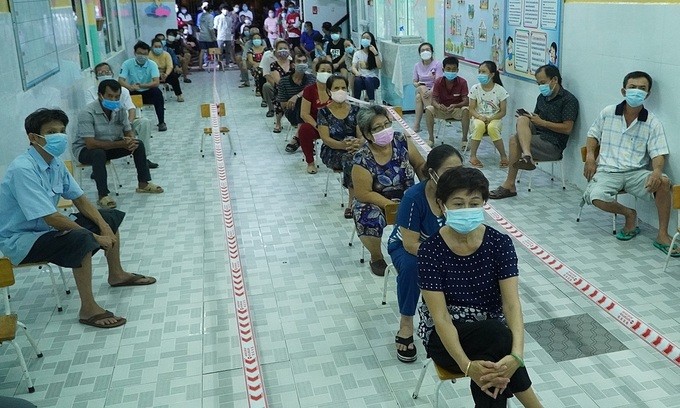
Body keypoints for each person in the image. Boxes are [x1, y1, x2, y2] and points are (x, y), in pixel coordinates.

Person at [0, 108, 157, 329]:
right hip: (22, 240)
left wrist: (104, 227)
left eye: (62, 130)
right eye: (52, 131)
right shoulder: (23, 169)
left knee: (108, 217)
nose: (60, 136)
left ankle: (117, 274)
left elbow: (80, 199)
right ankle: (88, 308)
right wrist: (94, 236)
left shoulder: (54, 162)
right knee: (80, 239)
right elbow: (52, 217)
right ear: (34, 138)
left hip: (45, 230)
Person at [418, 166, 543, 408]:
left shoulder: (499, 243)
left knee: (492, 353)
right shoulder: (431, 250)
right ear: (442, 205)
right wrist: (466, 366)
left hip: (491, 335)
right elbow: (441, 317)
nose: (467, 210)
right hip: (446, 339)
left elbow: (511, 303)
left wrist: (517, 356)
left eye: (474, 203)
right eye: (458, 204)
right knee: (495, 337)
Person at [583, 71, 677, 256]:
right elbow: (592, 135)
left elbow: (658, 153)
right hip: (608, 171)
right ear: (623, 90)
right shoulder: (608, 113)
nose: (636, 92)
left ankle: (663, 234)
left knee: (664, 182)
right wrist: (590, 157)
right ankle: (629, 214)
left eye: (642, 89)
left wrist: (657, 171)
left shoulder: (652, 122)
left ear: (648, 94)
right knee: (596, 196)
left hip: (636, 172)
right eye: (632, 87)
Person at [387, 145, 463, 363]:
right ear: (432, 173)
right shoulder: (414, 197)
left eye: (459, 170)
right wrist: (445, 254)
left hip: (443, 248)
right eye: (449, 172)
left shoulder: (460, 195)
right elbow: (411, 244)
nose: (456, 177)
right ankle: (406, 324)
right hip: (407, 247)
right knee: (413, 266)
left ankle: (455, 319)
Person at [352, 105, 425, 277]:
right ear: (368, 134)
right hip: (377, 201)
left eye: (386, 124)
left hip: (408, 196)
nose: (385, 130)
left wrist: (428, 187)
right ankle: (376, 257)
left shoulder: (402, 141)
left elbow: (420, 165)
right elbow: (363, 193)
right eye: (378, 128)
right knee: (368, 217)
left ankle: (418, 248)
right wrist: (391, 205)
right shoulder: (362, 158)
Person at [489, 65, 579, 199]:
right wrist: (529, 118)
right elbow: (536, 120)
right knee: (522, 119)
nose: (540, 86)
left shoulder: (569, 100)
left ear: (554, 80)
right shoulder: (542, 97)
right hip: (537, 136)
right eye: (538, 83)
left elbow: (567, 128)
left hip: (553, 144)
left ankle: (510, 184)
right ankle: (527, 156)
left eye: (543, 83)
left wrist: (543, 123)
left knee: (514, 140)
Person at [74, 80, 164, 208]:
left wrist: (130, 141)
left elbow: (128, 131)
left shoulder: (120, 109)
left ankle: (143, 183)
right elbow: (90, 144)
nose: (114, 99)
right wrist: (122, 144)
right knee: (98, 154)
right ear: (100, 95)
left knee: (138, 144)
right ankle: (103, 195)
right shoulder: (87, 113)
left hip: (110, 145)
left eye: (117, 96)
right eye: (110, 96)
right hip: (86, 150)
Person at [87, 62, 157, 169]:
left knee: (144, 122)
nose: (105, 74)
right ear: (96, 76)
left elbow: (131, 108)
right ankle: (99, 165)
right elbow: (90, 112)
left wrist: (128, 124)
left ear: (112, 73)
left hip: (123, 123)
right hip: (102, 127)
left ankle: (144, 158)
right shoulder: (90, 92)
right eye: (101, 73)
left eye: (107, 72)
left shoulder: (122, 90)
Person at [317, 76, 364, 215]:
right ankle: (352, 202)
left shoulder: (356, 110)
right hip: (332, 151)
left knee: (363, 156)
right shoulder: (323, 112)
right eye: (336, 88)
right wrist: (343, 146)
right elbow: (325, 139)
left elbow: (361, 135)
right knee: (351, 159)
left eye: (343, 88)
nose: (340, 91)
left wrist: (358, 143)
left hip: (354, 148)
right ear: (329, 91)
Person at [286, 60, 333, 162]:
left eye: (329, 71)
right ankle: (310, 162)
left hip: (334, 125)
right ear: (316, 72)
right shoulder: (309, 90)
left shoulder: (336, 88)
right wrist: (318, 126)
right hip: (315, 126)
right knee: (304, 129)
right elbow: (304, 114)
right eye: (323, 70)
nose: (326, 73)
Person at [118, 41, 167, 132]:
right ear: (135, 53)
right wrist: (130, 87)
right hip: (133, 90)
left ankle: (161, 122)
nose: (142, 56)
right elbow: (120, 80)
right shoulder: (127, 64)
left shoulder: (152, 64)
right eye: (139, 53)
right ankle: (126, 124)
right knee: (122, 93)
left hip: (148, 90)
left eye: (145, 54)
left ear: (148, 54)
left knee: (157, 93)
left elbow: (156, 82)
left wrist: (142, 85)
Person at [467, 60, 508, 168]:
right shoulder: (475, 88)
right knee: (479, 126)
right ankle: (473, 156)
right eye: (479, 71)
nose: (481, 74)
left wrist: (491, 118)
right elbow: (471, 109)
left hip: (495, 119)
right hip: (478, 117)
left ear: (492, 74)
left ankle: (503, 156)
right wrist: (479, 117)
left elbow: (503, 112)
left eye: (484, 72)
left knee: (492, 128)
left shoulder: (500, 90)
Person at [424, 56, 470, 147]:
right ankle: (431, 139)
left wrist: (456, 105)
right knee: (428, 109)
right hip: (442, 109)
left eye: (454, 69)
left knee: (466, 110)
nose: (451, 72)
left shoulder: (462, 82)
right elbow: (433, 100)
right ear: (443, 69)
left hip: (455, 110)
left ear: (457, 70)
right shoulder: (438, 82)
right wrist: (438, 106)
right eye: (448, 69)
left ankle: (464, 139)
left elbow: (466, 101)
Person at [273, 53, 316, 133]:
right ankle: (299, 136)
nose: (302, 64)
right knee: (301, 102)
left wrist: (296, 96)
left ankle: (298, 137)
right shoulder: (284, 81)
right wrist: (296, 101)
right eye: (299, 61)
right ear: (293, 65)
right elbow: (283, 105)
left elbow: (309, 90)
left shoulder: (311, 78)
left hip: (310, 113)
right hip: (292, 112)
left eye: (304, 61)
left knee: (303, 100)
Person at [412, 42, 443, 133]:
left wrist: (431, 91)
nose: (425, 52)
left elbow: (438, 81)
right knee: (421, 88)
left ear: (432, 52)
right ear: (420, 53)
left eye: (427, 50)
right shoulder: (417, 66)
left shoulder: (437, 64)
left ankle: (417, 125)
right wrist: (417, 84)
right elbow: (414, 81)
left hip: (435, 90)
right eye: (422, 50)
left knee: (418, 98)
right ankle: (432, 112)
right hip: (421, 88)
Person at [263, 39, 294, 117]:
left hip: (290, 84)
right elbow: (266, 74)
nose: (283, 50)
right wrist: (278, 86)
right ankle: (271, 109)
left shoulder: (291, 59)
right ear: (275, 48)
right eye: (280, 48)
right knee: (266, 86)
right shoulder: (267, 56)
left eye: (285, 48)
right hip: (274, 82)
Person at [149, 38, 184, 102]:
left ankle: (179, 95)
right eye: (155, 47)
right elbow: (148, 68)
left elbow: (170, 66)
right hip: (153, 74)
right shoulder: (148, 55)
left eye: (159, 46)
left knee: (174, 77)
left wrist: (166, 74)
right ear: (152, 47)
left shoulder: (166, 54)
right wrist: (158, 74)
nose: (158, 48)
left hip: (165, 73)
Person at [352, 31, 382, 103]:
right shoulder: (357, 53)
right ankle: (356, 103)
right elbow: (353, 67)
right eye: (363, 38)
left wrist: (375, 53)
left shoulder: (377, 53)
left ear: (371, 40)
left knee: (368, 79)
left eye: (367, 38)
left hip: (373, 79)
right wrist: (356, 73)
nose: (365, 39)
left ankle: (371, 102)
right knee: (357, 80)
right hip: (361, 78)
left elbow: (380, 66)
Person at [247, 33, 268, 98]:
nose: (256, 40)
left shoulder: (265, 49)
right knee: (258, 71)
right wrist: (257, 64)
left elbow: (268, 58)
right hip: (255, 66)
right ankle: (258, 89)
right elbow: (250, 61)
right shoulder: (250, 50)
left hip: (265, 65)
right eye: (255, 39)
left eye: (258, 38)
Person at [214, 4, 235, 69]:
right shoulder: (217, 17)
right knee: (219, 51)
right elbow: (215, 27)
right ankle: (220, 64)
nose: (225, 11)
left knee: (228, 51)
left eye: (226, 9)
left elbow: (230, 27)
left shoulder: (229, 19)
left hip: (228, 36)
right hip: (220, 36)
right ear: (221, 10)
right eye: (224, 9)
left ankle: (227, 63)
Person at [197, 3, 217, 68]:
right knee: (215, 50)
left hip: (202, 36)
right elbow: (210, 28)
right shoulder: (210, 16)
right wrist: (214, 37)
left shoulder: (201, 15)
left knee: (202, 51)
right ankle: (218, 64)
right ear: (211, 10)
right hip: (209, 37)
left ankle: (200, 66)